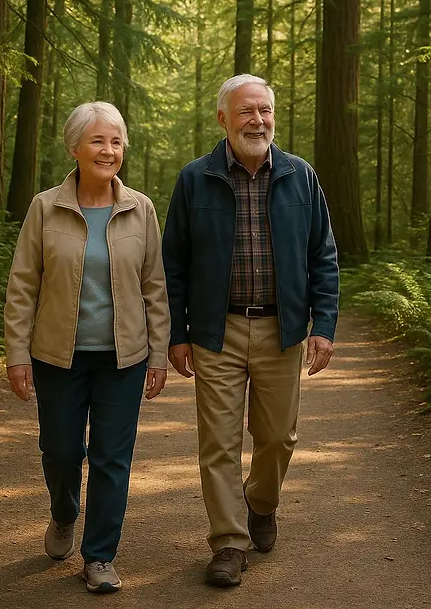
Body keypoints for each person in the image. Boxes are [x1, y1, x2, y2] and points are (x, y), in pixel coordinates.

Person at [162, 74, 339, 587]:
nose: (257, 120)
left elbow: (323, 256)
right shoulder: (196, 179)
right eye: (245, 111)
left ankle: (260, 504)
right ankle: (228, 543)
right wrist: (177, 333)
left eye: (264, 110)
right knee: (217, 443)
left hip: (282, 331)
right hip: (215, 331)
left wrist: (322, 325)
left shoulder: (301, 177)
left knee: (278, 437)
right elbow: (173, 264)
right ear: (223, 118)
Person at [3, 101, 170, 594]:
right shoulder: (44, 207)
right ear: (74, 148)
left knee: (112, 459)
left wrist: (158, 354)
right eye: (98, 141)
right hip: (57, 355)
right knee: (59, 451)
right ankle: (63, 512)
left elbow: (155, 287)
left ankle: (99, 556)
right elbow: (22, 286)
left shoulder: (141, 209)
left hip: (124, 358)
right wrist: (16, 354)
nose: (108, 150)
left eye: (116, 141)